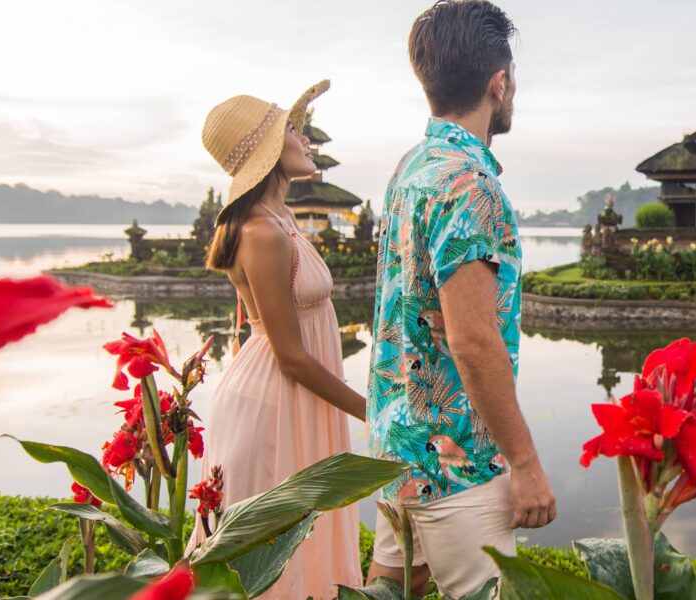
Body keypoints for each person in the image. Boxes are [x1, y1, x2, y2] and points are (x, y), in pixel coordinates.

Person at [366, 1, 556, 596]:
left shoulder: (413, 169)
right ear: (498, 84)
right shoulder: (469, 184)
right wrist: (523, 464)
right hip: (458, 466)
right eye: (512, 81)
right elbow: (471, 339)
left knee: (389, 589)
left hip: (397, 447)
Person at [192, 80, 368, 598]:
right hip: (275, 402)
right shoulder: (260, 233)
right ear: (269, 150)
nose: (305, 137)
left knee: (301, 545)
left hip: (296, 398)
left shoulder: (281, 219)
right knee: (267, 565)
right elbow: (290, 357)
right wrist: (371, 408)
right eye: (294, 129)